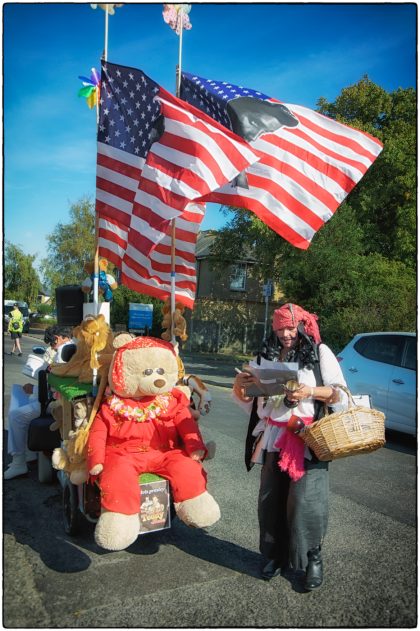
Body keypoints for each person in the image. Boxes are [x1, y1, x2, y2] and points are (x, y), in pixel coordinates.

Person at [232, 303, 347, 591]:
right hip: (274, 437)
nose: (285, 333)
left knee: (306, 502)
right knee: (270, 501)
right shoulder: (266, 355)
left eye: (290, 327)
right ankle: (274, 555)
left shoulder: (320, 353)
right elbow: (252, 402)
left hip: (308, 439)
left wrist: (308, 391)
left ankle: (312, 559)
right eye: (280, 327)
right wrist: (240, 384)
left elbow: (340, 394)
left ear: (302, 326)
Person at [4, 326, 73, 480]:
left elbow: (55, 384)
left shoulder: (63, 352)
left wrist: (35, 388)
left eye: (52, 343)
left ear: (57, 338)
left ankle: (18, 462)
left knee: (16, 416)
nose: (52, 347)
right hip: (55, 398)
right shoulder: (71, 349)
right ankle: (28, 454)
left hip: (55, 402)